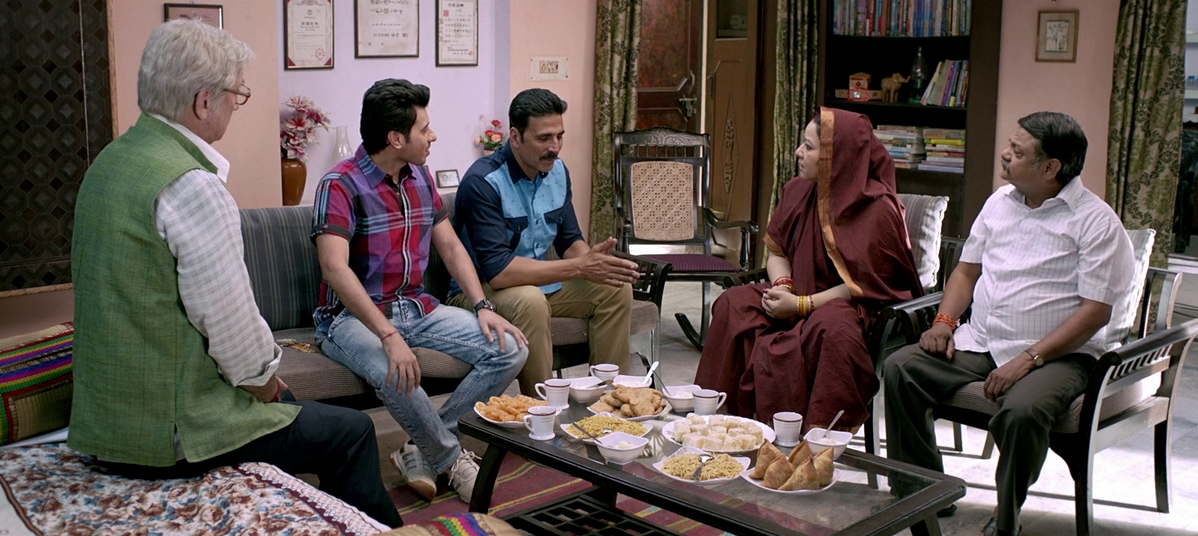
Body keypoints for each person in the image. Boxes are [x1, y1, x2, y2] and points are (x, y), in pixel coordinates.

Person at [68, 20, 401, 527]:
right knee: (350, 432)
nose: (235, 106)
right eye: (237, 95)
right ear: (205, 101)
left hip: (105, 423)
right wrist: (268, 385)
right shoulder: (191, 186)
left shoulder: (109, 164)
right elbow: (232, 332)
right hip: (171, 434)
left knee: (300, 413)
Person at [882, 111, 1136, 536]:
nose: (1005, 154)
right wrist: (944, 321)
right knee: (901, 367)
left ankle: (1006, 517)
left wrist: (1027, 359)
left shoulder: (1096, 222)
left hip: (1060, 355)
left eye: (1017, 151)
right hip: (983, 340)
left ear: (1050, 168)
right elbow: (966, 271)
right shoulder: (999, 202)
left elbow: (1095, 312)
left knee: (1021, 411)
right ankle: (922, 492)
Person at [312, 78, 529, 504]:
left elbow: (451, 246)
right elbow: (334, 268)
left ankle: (421, 448)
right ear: (396, 138)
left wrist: (483, 305)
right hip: (351, 319)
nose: (433, 136)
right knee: (398, 371)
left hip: (417, 308)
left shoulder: (421, 177)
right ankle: (449, 459)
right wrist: (388, 336)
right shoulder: (339, 185)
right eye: (424, 129)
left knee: (510, 348)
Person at [693, 107, 922, 432]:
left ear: (837, 156)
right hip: (796, 290)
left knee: (833, 329)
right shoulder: (797, 190)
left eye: (809, 147)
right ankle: (718, 421)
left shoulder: (879, 210)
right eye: (802, 144)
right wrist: (783, 286)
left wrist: (801, 305)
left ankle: (814, 438)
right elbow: (776, 251)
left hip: (850, 306)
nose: (799, 152)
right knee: (734, 302)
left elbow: (864, 286)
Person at [448, 88, 639, 396]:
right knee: (530, 300)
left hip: (537, 285)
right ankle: (543, 408)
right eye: (544, 138)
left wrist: (593, 262)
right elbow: (499, 272)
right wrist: (580, 267)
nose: (555, 147)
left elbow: (569, 240)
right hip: (479, 293)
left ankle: (610, 399)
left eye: (559, 136)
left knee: (615, 288)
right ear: (515, 136)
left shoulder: (557, 171)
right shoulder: (483, 182)